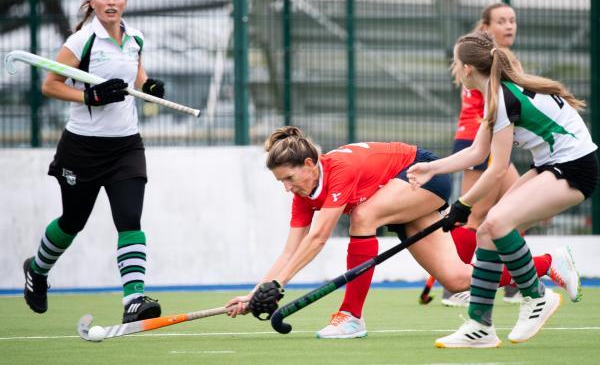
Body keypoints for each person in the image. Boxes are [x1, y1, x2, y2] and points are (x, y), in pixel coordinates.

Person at [226, 126, 579, 339]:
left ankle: (350, 317)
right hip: (398, 195)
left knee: (363, 216)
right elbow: (289, 253)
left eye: (289, 179)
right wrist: (254, 294)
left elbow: (318, 239)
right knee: (456, 280)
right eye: (281, 183)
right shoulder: (304, 195)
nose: (287, 188)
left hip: (421, 174)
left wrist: (280, 285)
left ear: (309, 164)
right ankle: (547, 264)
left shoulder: (339, 170)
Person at [408, 30, 597, 348]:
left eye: (456, 64)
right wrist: (432, 167)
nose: (456, 70)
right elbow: (477, 154)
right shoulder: (498, 95)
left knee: (496, 223)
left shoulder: (503, 100)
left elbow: (496, 170)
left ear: (467, 69)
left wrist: (463, 205)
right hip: (551, 165)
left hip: (575, 167)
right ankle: (479, 327)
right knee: (486, 232)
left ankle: (537, 297)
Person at [23, 0, 165, 323]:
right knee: (73, 222)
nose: (112, 2)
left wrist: (149, 85)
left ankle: (133, 300)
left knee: (129, 218)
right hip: (82, 149)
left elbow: (136, 74)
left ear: (125, 2)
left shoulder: (135, 37)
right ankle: (37, 270)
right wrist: (89, 95)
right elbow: (50, 85)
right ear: (93, 2)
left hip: (126, 147)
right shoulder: (82, 40)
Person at [441, 2, 524, 307]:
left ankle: (514, 280)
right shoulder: (484, 60)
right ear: (486, 28)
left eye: (512, 20)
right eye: (501, 21)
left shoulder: (497, 58)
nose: (509, 26)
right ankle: (455, 285)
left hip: (490, 141)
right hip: (478, 141)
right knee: (474, 215)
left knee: (518, 208)